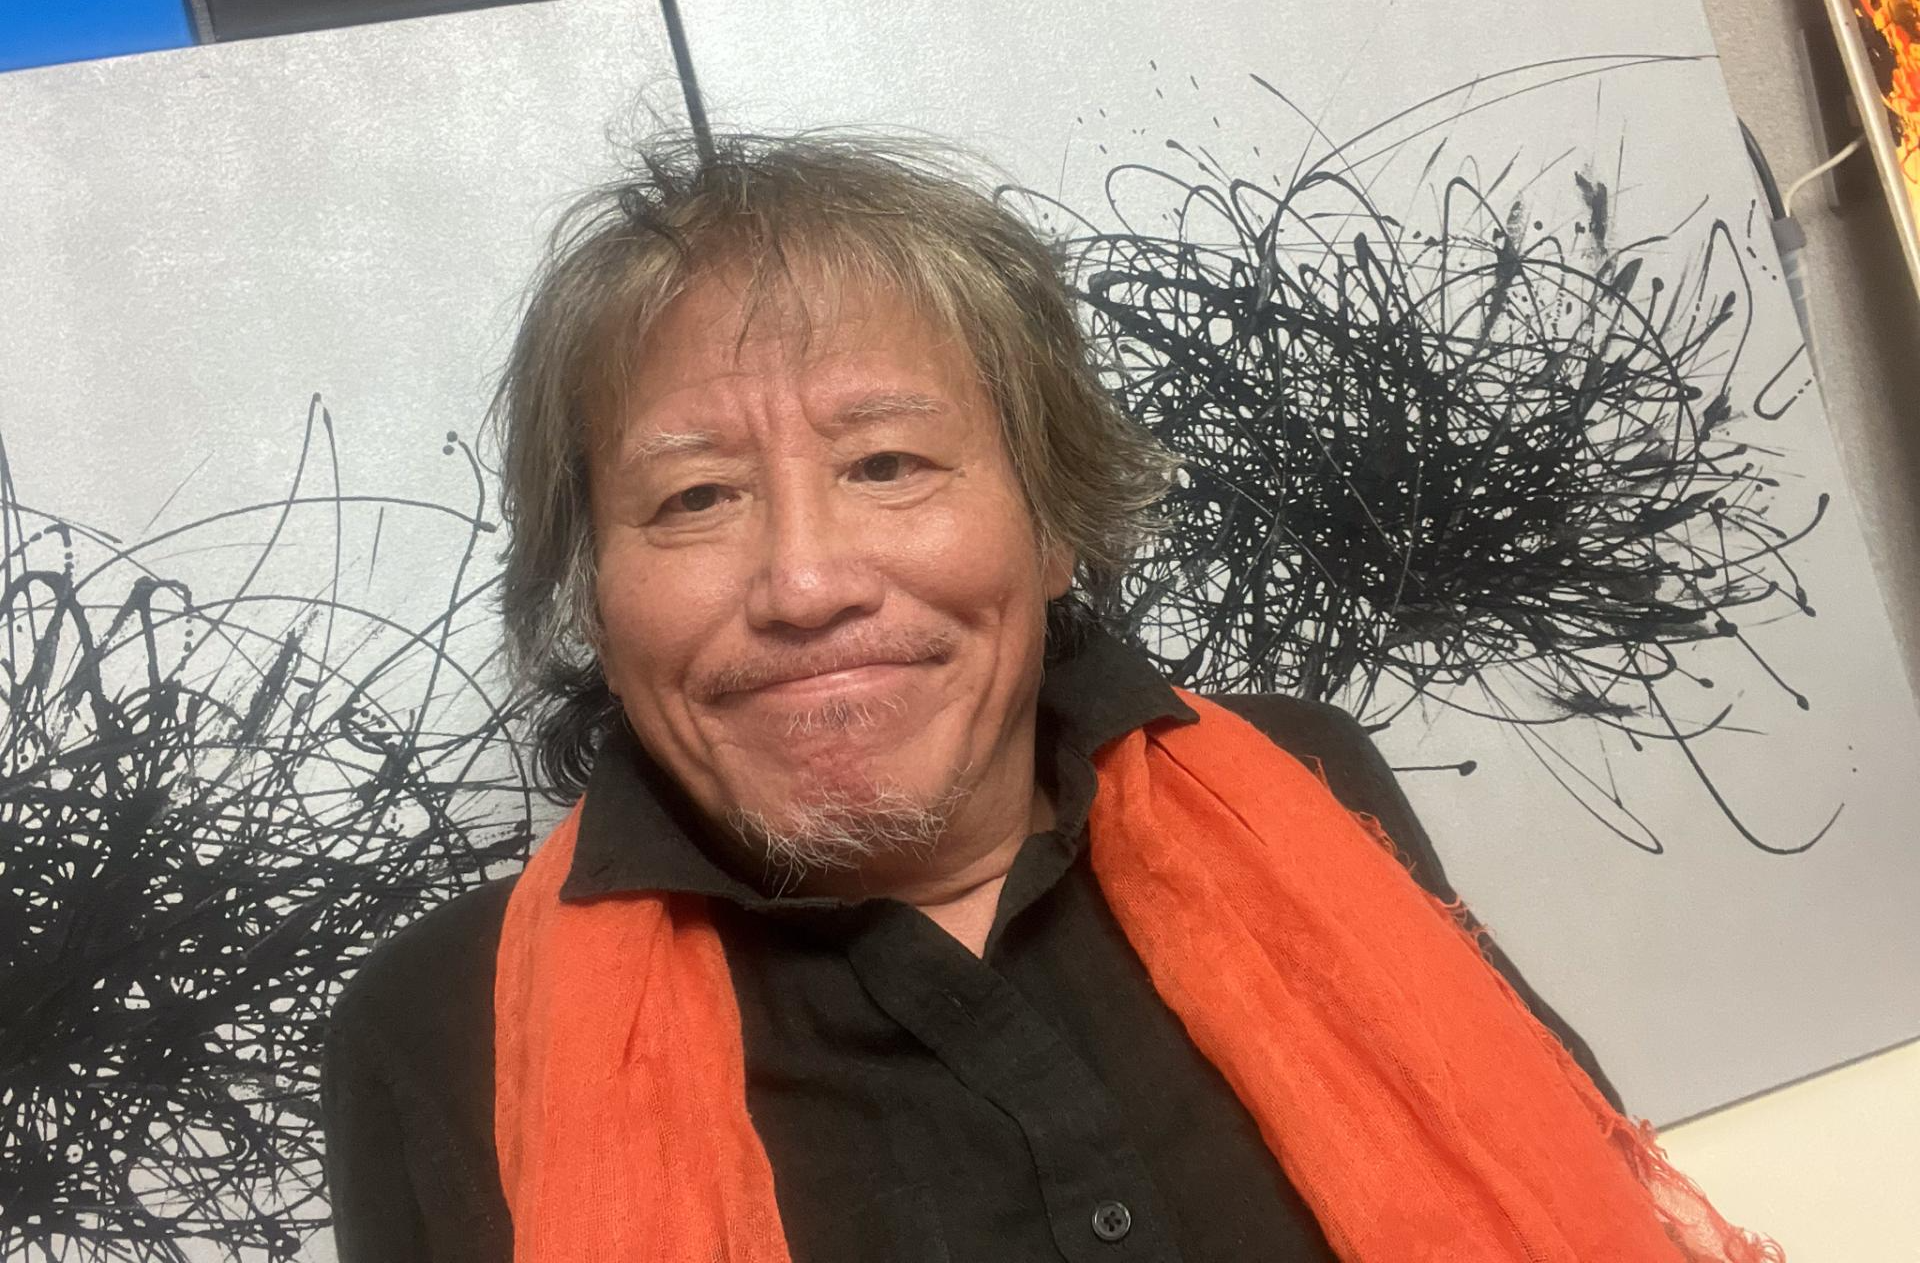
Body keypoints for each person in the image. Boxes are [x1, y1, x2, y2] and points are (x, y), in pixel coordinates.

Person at [321, 134, 1776, 1262]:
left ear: (1054, 521)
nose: (806, 583)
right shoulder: (430, 1036)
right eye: (695, 497)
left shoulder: (1305, 777)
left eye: (888, 464)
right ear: (593, 592)